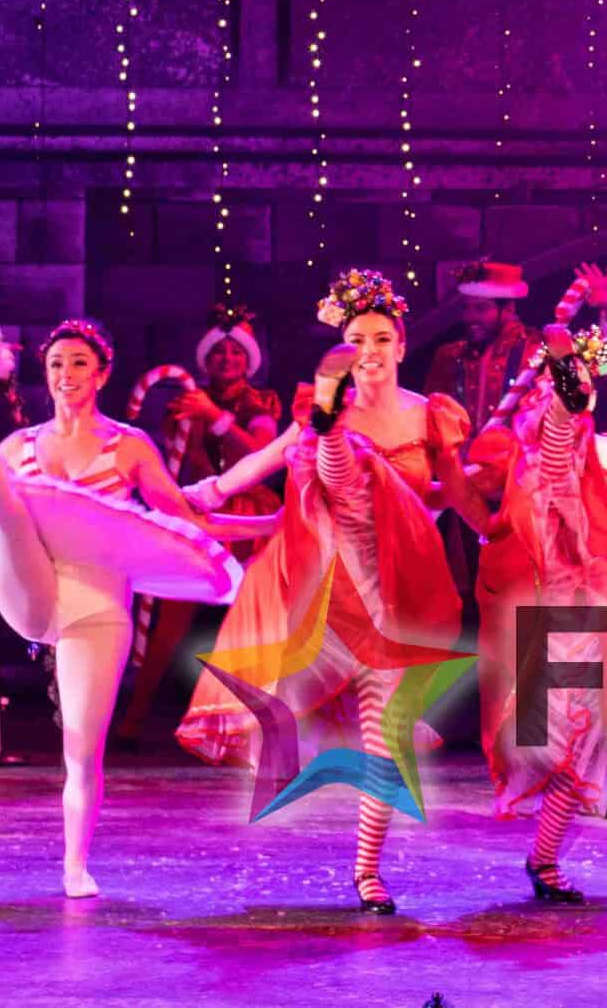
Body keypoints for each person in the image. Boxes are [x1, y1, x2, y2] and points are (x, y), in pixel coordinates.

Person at [0, 320, 232, 898]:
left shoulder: (130, 447)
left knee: (82, 751)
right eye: (56, 364)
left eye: (79, 363)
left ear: (103, 374)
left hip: (98, 604)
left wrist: (268, 526)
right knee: (6, 510)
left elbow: (184, 520)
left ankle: (74, 867)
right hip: (29, 585)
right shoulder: (23, 445)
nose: (67, 374)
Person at [176, 269, 479, 915]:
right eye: (356, 340)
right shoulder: (318, 416)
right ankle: (335, 437)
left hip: (394, 601)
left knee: (386, 740)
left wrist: (500, 527)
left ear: (402, 345)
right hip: (326, 599)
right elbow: (259, 465)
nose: (370, 351)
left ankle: (367, 871)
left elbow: (453, 495)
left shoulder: (429, 416)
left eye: (381, 338)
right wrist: (205, 494)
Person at [462, 323, 607, 902]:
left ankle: (543, 860)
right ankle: (541, 854)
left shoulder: (606, 450)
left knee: (584, 751)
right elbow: (551, 437)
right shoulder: (525, 451)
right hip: (539, 619)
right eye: (563, 382)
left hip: (592, 620)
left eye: (582, 382)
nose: (572, 391)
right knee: (549, 741)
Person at [114, 303, 282, 747]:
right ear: (206, 358)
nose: (227, 359)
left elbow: (259, 457)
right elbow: (184, 465)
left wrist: (214, 418)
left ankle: (259, 723)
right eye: (219, 352)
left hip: (251, 517)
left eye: (236, 352)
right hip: (202, 514)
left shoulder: (260, 402)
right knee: (172, 613)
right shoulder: (186, 400)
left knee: (253, 619)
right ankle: (135, 715)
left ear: (249, 360)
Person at [424, 261, 607, 431]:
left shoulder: (546, 349)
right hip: (461, 473)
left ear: (508, 309)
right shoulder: (448, 356)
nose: (470, 317)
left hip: (524, 472)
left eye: (481, 309)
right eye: (466, 308)